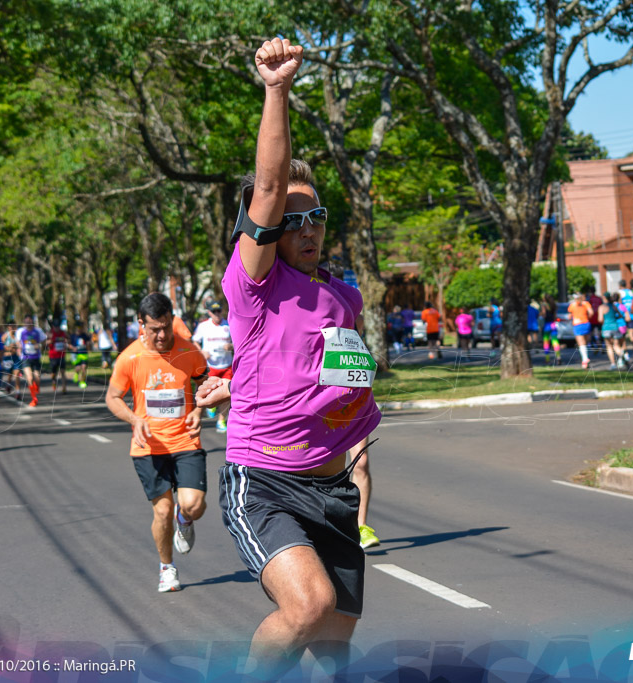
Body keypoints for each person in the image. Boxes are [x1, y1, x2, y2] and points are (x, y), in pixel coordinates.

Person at [206, 36, 382, 680]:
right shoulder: (253, 285)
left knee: (333, 650)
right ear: (266, 228)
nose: (306, 228)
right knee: (309, 607)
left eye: (317, 217)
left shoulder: (343, 295)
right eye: (291, 218)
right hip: (266, 484)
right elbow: (273, 181)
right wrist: (276, 90)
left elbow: (324, 374)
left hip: (333, 487)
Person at [105, 292, 208, 593]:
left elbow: (205, 383)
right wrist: (134, 420)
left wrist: (199, 410)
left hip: (185, 440)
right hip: (148, 447)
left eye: (166, 326)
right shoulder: (130, 358)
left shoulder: (189, 352)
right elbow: (113, 398)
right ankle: (167, 568)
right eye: (154, 329)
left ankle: (185, 520)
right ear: (141, 324)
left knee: (194, 506)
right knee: (161, 511)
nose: (162, 335)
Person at [191, 301, 233, 433]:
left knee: (228, 394)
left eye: (219, 311)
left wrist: (230, 346)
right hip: (211, 365)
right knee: (210, 390)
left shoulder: (228, 324)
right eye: (214, 312)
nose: (217, 314)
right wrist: (201, 352)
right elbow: (195, 341)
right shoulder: (204, 326)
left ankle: (221, 421)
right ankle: (212, 407)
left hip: (227, 364)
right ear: (209, 313)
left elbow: (238, 342)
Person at [17, 315, 46, 407]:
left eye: (30, 322)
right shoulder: (21, 331)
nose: (28, 324)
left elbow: (44, 341)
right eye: (26, 322)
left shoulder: (38, 331)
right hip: (26, 358)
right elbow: (17, 342)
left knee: (37, 378)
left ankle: (36, 387)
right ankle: (34, 399)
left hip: (36, 357)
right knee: (29, 378)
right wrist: (19, 347)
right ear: (24, 322)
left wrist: (40, 346)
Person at [568, 292, 594, 369]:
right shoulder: (586, 303)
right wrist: (587, 317)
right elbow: (591, 312)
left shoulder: (572, 305)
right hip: (586, 323)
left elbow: (569, 316)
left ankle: (585, 359)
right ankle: (585, 358)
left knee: (581, 344)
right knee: (585, 342)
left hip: (577, 324)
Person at [599, 292, 624, 369]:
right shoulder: (613, 306)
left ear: (604, 298)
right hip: (615, 327)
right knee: (616, 345)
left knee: (609, 346)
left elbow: (600, 319)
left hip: (606, 328)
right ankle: (622, 358)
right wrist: (614, 318)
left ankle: (613, 364)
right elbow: (620, 315)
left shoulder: (602, 307)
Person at [1, 323, 23, 399]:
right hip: (7, 357)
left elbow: (19, 345)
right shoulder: (5, 336)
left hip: (15, 357)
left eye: (14, 326)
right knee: (9, 374)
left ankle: (18, 392)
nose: (13, 328)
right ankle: (8, 384)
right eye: (11, 326)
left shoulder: (17, 336)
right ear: (8, 327)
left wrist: (16, 347)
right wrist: (9, 348)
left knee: (17, 374)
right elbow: (1, 346)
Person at [48, 321, 70, 395]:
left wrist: (67, 342)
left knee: (63, 372)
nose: (57, 328)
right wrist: (50, 341)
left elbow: (68, 339)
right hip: (53, 356)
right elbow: (45, 342)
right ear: (53, 327)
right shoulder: (50, 333)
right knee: (53, 373)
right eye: (55, 326)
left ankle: (64, 388)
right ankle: (53, 379)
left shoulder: (63, 333)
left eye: (58, 326)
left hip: (61, 355)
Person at [541, 294, 561, 365]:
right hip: (553, 324)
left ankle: (547, 359)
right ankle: (558, 357)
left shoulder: (544, 305)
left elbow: (544, 315)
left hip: (547, 325)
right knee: (555, 341)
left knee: (546, 342)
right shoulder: (554, 305)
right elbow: (555, 317)